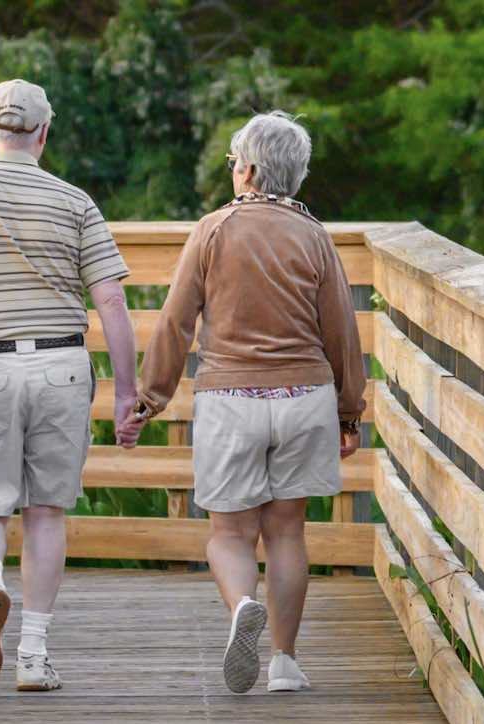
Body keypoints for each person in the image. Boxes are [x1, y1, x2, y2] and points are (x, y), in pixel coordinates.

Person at [0, 79, 142, 692]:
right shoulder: (75, 201)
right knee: (45, 513)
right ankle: (34, 657)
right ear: (43, 133)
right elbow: (112, 299)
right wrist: (125, 391)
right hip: (63, 368)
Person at [119, 111, 366, 694]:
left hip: (231, 397)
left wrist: (149, 398)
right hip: (304, 397)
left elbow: (177, 322)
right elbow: (341, 332)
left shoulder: (212, 230)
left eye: (235, 163)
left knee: (229, 533)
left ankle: (239, 610)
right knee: (287, 533)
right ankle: (284, 661)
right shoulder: (315, 236)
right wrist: (348, 412)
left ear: (249, 170)